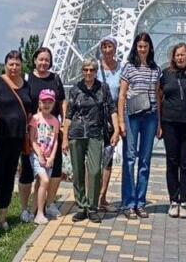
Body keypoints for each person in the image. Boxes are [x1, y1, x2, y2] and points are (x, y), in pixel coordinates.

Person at [63, 57, 119, 224]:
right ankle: (82, 206)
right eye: (86, 69)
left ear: (96, 71)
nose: (88, 73)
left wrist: (116, 130)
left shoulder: (103, 88)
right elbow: (69, 115)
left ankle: (93, 207)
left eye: (92, 70)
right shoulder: (75, 89)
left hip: (95, 133)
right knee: (78, 172)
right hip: (77, 134)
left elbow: (112, 109)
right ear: (82, 71)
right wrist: (65, 137)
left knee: (95, 171)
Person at [0, 50, 32, 232]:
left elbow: (30, 110)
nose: (14, 67)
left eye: (17, 64)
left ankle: (3, 217)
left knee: (9, 178)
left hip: (17, 138)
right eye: (11, 64)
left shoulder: (26, 85)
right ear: (5, 65)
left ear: (21, 65)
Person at [20, 47, 67, 220]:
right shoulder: (27, 79)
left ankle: (49, 203)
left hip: (52, 131)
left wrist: (64, 124)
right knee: (27, 170)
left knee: (54, 169)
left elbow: (62, 102)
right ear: (34, 60)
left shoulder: (55, 79)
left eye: (47, 60)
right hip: (32, 130)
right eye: (41, 59)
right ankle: (26, 208)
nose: (43, 63)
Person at [158, 42, 186, 218]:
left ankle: (184, 200)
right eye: (177, 55)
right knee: (172, 162)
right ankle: (173, 200)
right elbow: (159, 97)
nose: (180, 57)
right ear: (173, 57)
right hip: (170, 123)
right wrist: (159, 124)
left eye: (183, 54)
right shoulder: (166, 75)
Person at [119, 31, 160, 218]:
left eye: (145, 46)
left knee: (145, 160)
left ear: (150, 48)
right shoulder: (128, 67)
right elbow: (122, 95)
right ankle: (128, 202)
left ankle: (140, 202)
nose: (142, 49)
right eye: (140, 46)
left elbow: (158, 97)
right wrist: (121, 120)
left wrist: (159, 121)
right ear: (136, 47)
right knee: (129, 158)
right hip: (133, 116)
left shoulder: (155, 69)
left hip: (150, 116)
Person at [96, 36, 123, 212]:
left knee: (107, 160)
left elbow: (123, 96)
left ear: (115, 48)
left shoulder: (122, 68)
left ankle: (102, 197)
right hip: (95, 117)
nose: (107, 50)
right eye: (105, 46)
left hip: (111, 118)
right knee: (92, 159)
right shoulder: (94, 68)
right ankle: (91, 196)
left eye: (110, 46)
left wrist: (120, 122)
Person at [28, 89, 61, 224]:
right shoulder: (35, 119)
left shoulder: (55, 121)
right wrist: (39, 155)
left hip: (49, 157)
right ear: (39, 103)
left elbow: (56, 140)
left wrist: (52, 157)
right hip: (37, 155)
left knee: (39, 185)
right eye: (44, 102)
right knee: (45, 181)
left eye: (50, 102)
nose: (46, 104)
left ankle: (35, 210)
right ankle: (40, 213)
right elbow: (32, 139)